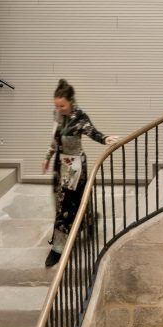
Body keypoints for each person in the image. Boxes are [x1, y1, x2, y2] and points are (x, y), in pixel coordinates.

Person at [41, 78, 117, 267]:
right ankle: (89, 219)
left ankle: (58, 248)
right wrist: (48, 157)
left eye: (62, 106)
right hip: (60, 165)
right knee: (69, 200)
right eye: (57, 106)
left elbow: (93, 132)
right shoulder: (57, 115)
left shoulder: (80, 117)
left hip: (74, 167)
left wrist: (105, 138)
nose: (59, 109)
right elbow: (54, 139)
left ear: (71, 102)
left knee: (64, 206)